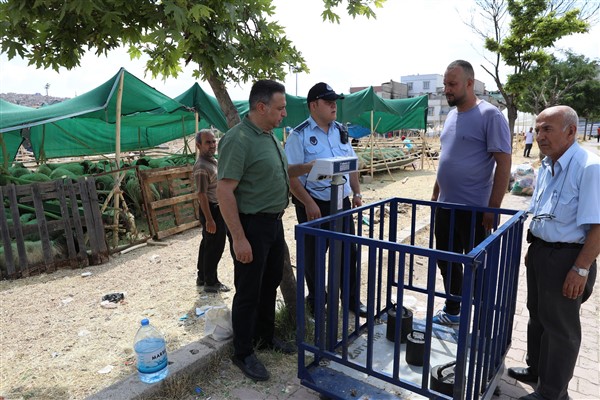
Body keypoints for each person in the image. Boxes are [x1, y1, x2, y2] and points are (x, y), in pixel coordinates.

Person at [216, 80, 312, 382]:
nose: (284, 113)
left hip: (272, 222)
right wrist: (239, 238)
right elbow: (224, 191)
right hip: (251, 225)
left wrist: (311, 167)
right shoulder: (238, 139)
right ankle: (242, 352)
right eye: (281, 108)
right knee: (248, 290)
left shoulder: (269, 136)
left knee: (269, 281)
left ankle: (265, 337)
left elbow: (279, 171)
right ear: (262, 107)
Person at [507, 105, 599, 400]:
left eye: (547, 129)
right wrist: (535, 247)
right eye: (537, 129)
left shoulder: (588, 167)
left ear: (571, 131)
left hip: (568, 259)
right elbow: (543, 212)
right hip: (542, 252)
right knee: (537, 315)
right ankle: (536, 370)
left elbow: (599, 225)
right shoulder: (547, 164)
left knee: (560, 329)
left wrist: (581, 268)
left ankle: (551, 393)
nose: (540, 135)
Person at [431, 60, 512, 325]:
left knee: (477, 267)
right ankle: (453, 310)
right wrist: (435, 194)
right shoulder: (452, 115)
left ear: (469, 83)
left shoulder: (490, 115)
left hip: (474, 210)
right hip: (446, 207)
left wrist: (492, 208)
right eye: (445, 84)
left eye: (452, 84)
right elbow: (447, 157)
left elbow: (503, 163)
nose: (447, 90)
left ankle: (482, 320)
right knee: (446, 260)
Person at [284, 82, 367, 318]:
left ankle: (350, 300)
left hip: (341, 204)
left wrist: (357, 193)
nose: (334, 106)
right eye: (328, 102)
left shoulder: (341, 130)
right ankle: (317, 303)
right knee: (314, 258)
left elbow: (351, 165)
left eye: (335, 102)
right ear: (313, 105)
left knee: (348, 253)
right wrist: (308, 203)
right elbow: (290, 175)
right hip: (314, 204)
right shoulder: (299, 136)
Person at [193, 129, 230, 293]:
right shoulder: (201, 166)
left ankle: (202, 277)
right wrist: (209, 219)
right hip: (211, 209)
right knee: (215, 246)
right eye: (208, 142)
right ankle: (211, 281)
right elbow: (201, 194)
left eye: (214, 141)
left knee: (207, 244)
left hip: (215, 209)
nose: (212, 145)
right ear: (198, 145)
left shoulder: (211, 161)